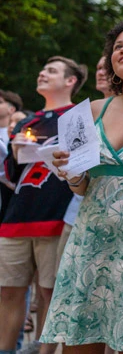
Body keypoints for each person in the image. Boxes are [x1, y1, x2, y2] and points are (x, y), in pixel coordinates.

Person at [41, 18, 123, 354]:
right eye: (118, 47)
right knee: (79, 344)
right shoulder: (88, 111)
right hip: (88, 241)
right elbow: (82, 185)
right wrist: (70, 173)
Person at [0, 57, 87, 354]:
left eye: (51, 71)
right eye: (43, 69)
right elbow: (12, 176)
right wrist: (13, 153)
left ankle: (43, 352)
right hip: (17, 215)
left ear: (70, 81)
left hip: (56, 215)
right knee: (9, 291)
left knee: (49, 292)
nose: (42, 73)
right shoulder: (27, 121)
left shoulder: (78, 116)